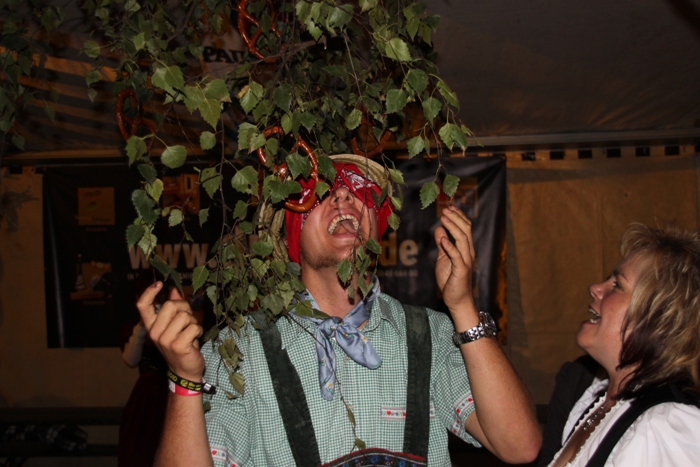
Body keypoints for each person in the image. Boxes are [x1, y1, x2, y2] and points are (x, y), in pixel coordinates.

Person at [137, 154, 542, 466]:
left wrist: (463, 306)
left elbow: (520, 446)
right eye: (319, 192)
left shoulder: (429, 335)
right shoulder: (239, 351)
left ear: (377, 227)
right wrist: (185, 380)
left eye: (357, 189)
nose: (344, 195)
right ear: (292, 237)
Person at [547, 224, 700, 466]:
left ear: (658, 318)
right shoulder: (597, 403)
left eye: (617, 285)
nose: (595, 288)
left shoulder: (663, 427)